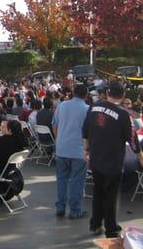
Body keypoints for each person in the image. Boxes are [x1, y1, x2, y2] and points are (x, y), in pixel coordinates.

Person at [83, 81, 143, 238]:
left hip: (96, 158)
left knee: (98, 192)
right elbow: (133, 139)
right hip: (113, 160)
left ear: (107, 93)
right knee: (111, 195)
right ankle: (111, 228)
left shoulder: (94, 107)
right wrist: (141, 157)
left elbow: (85, 130)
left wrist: (86, 150)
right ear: (123, 95)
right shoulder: (123, 114)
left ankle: (95, 224)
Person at [52, 84, 90, 219]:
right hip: (79, 150)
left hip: (61, 148)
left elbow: (54, 124)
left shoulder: (62, 105)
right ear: (86, 95)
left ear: (73, 92)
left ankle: (60, 207)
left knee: (61, 180)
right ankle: (75, 210)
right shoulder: (88, 109)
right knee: (77, 181)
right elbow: (89, 132)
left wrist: (59, 140)